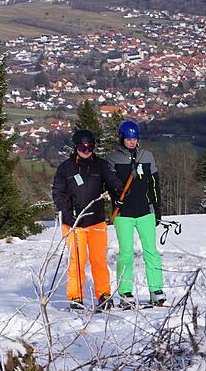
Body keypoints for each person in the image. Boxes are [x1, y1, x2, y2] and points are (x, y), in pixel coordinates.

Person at [52, 129, 122, 311]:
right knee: (77, 261)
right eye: (83, 147)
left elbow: (112, 181)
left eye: (90, 146)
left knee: (99, 260)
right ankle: (76, 297)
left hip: (96, 221)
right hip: (73, 223)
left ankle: (104, 295)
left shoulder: (101, 165)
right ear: (76, 147)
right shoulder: (65, 168)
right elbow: (58, 193)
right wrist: (66, 214)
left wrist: (120, 189)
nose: (86, 150)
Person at [106, 119, 166, 309]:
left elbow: (154, 184)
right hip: (123, 214)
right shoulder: (113, 159)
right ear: (122, 139)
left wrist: (157, 209)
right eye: (128, 139)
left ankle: (156, 290)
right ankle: (125, 292)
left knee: (152, 252)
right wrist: (117, 197)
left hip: (145, 212)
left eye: (134, 139)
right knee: (126, 253)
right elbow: (109, 184)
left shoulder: (147, 156)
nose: (132, 142)